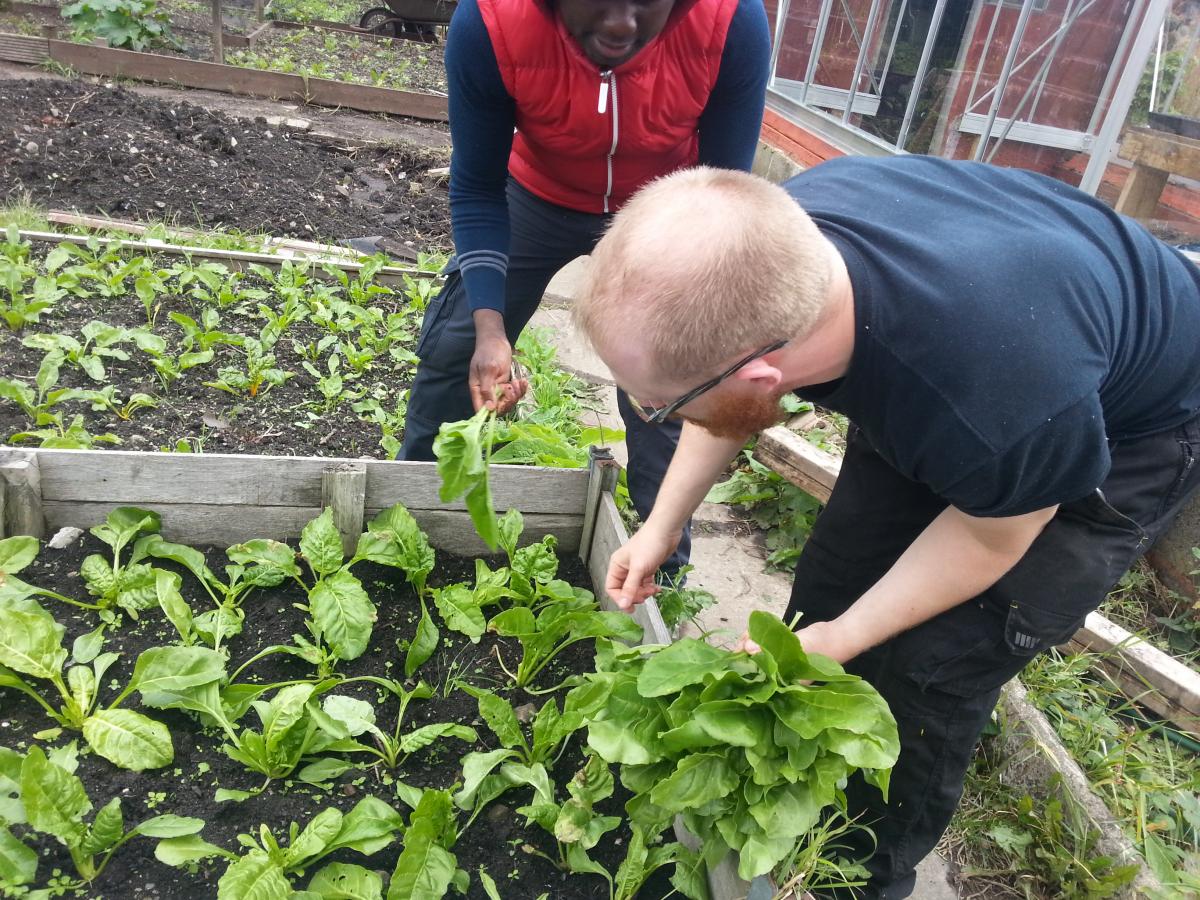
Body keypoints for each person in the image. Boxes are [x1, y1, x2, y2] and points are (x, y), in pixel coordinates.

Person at [574, 158, 1200, 898]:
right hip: (979, 358)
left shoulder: (1001, 404)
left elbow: (992, 535)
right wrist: (660, 525)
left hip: (1123, 424)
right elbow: (722, 398)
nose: (656, 418)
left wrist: (846, 638)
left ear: (761, 374)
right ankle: (796, 802)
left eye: (658, 407)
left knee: (933, 668)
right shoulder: (771, 246)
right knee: (833, 588)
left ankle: (862, 877)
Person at [398, 0, 771, 575]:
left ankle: (661, 564)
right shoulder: (492, 20)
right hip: (535, 195)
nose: (621, 23)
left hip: (659, 207)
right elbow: (477, 186)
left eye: (646, 2)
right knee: (456, 342)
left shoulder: (728, 22)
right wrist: (490, 329)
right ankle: (406, 509)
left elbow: (723, 191)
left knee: (666, 378)